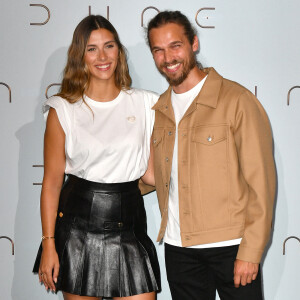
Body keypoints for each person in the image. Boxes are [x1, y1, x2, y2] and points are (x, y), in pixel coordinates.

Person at [145, 10, 276, 300]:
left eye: (175, 46)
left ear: (194, 43)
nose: (168, 58)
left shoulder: (236, 100)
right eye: (158, 50)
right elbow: (152, 176)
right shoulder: (159, 110)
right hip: (179, 249)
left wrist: (251, 252)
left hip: (232, 248)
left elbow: (261, 184)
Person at [33, 15, 160, 300]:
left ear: (119, 51)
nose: (102, 56)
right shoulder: (63, 109)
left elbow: (151, 175)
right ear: (81, 56)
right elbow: (52, 183)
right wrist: (49, 245)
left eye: (109, 46)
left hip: (130, 229)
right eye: (92, 49)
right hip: (78, 232)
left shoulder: (146, 103)